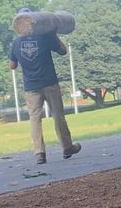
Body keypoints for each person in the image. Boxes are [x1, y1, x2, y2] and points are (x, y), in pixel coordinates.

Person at [8, 10, 80, 164]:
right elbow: (63, 51)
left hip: (30, 87)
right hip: (49, 83)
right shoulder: (45, 36)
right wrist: (54, 34)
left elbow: (12, 65)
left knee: (34, 119)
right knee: (58, 115)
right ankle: (67, 147)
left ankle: (40, 153)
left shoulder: (16, 42)